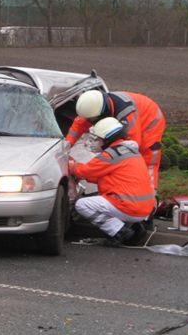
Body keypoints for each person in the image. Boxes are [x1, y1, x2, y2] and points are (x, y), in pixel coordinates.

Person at [69, 117, 156, 246]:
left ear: (107, 139)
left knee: (82, 204)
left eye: (98, 139)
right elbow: (108, 177)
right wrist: (86, 176)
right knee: (103, 200)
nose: (96, 142)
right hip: (144, 207)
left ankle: (120, 232)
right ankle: (132, 228)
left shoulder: (111, 154)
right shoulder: (129, 151)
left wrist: (71, 164)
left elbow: (84, 171)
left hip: (129, 207)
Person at [66, 89, 165, 190]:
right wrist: (66, 146)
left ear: (103, 113)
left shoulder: (126, 115)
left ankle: (150, 194)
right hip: (136, 113)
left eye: (93, 120)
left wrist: (102, 160)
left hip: (150, 120)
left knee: (147, 160)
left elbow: (130, 147)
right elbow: (78, 126)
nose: (91, 122)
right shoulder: (93, 106)